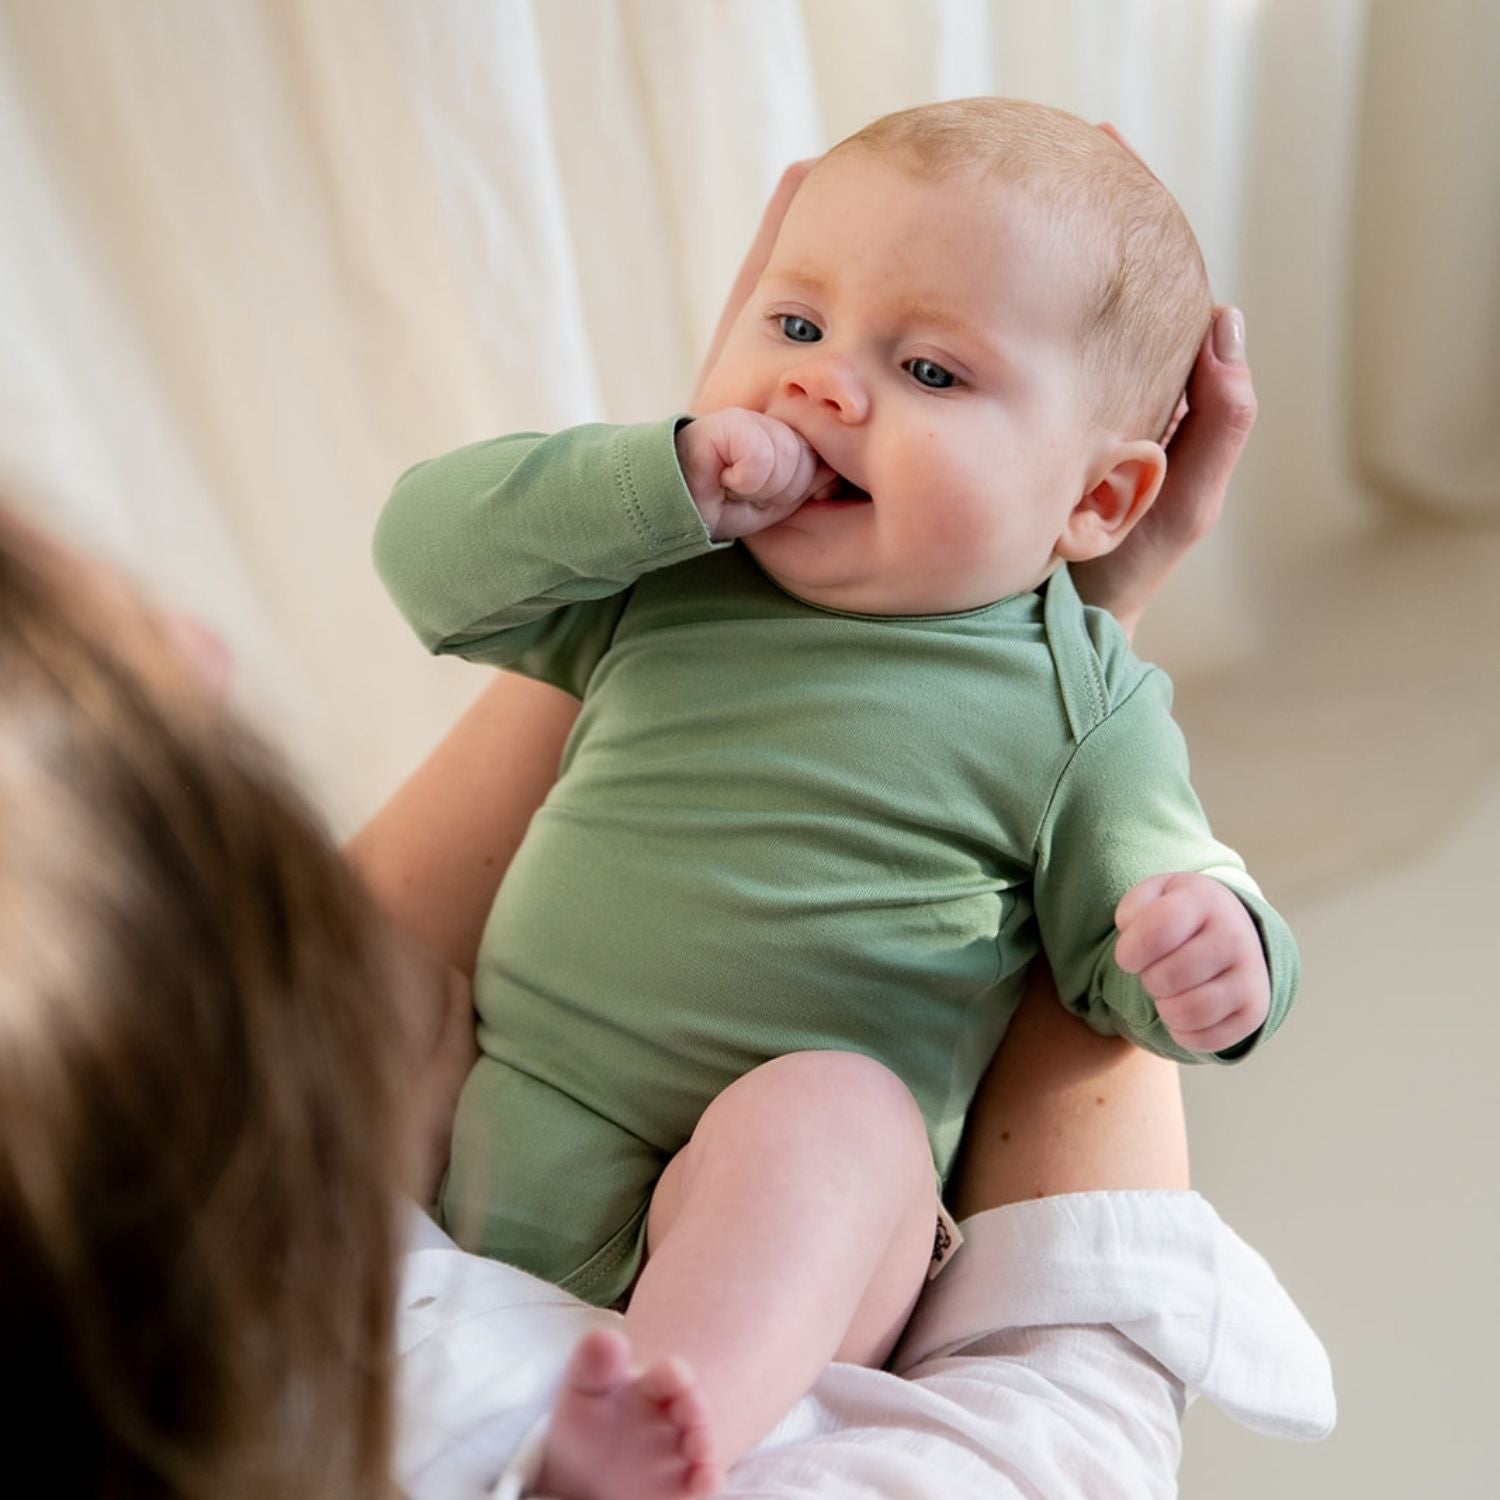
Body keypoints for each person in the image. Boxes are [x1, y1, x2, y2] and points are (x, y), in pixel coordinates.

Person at [370, 100, 1300, 1498]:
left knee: (841, 1118)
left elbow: (1130, 943)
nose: (822, 389)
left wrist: (1216, 950)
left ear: (1100, 498)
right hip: (507, 1130)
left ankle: (639, 1445)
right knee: (351, 988)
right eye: (795, 327)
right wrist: (659, 474)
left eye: (928, 368)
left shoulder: (1079, 702)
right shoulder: (668, 570)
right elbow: (426, 559)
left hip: (785, 1247)